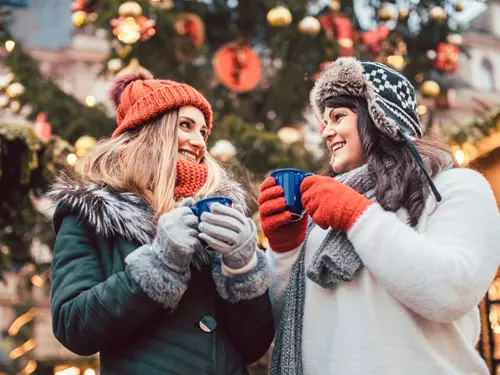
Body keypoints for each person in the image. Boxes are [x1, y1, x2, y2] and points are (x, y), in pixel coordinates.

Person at [258, 57, 500, 375]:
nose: (327, 132)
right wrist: (285, 251)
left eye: (338, 116)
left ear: (379, 117)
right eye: (324, 122)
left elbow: (452, 290)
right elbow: (290, 325)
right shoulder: (323, 216)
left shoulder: (454, 187)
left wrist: (358, 216)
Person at [46, 71, 274, 375]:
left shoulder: (221, 214)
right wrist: (158, 264)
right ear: (151, 130)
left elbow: (253, 345)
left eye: (203, 131)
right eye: (185, 125)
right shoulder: (92, 213)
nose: (199, 142)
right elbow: (72, 326)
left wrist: (242, 267)